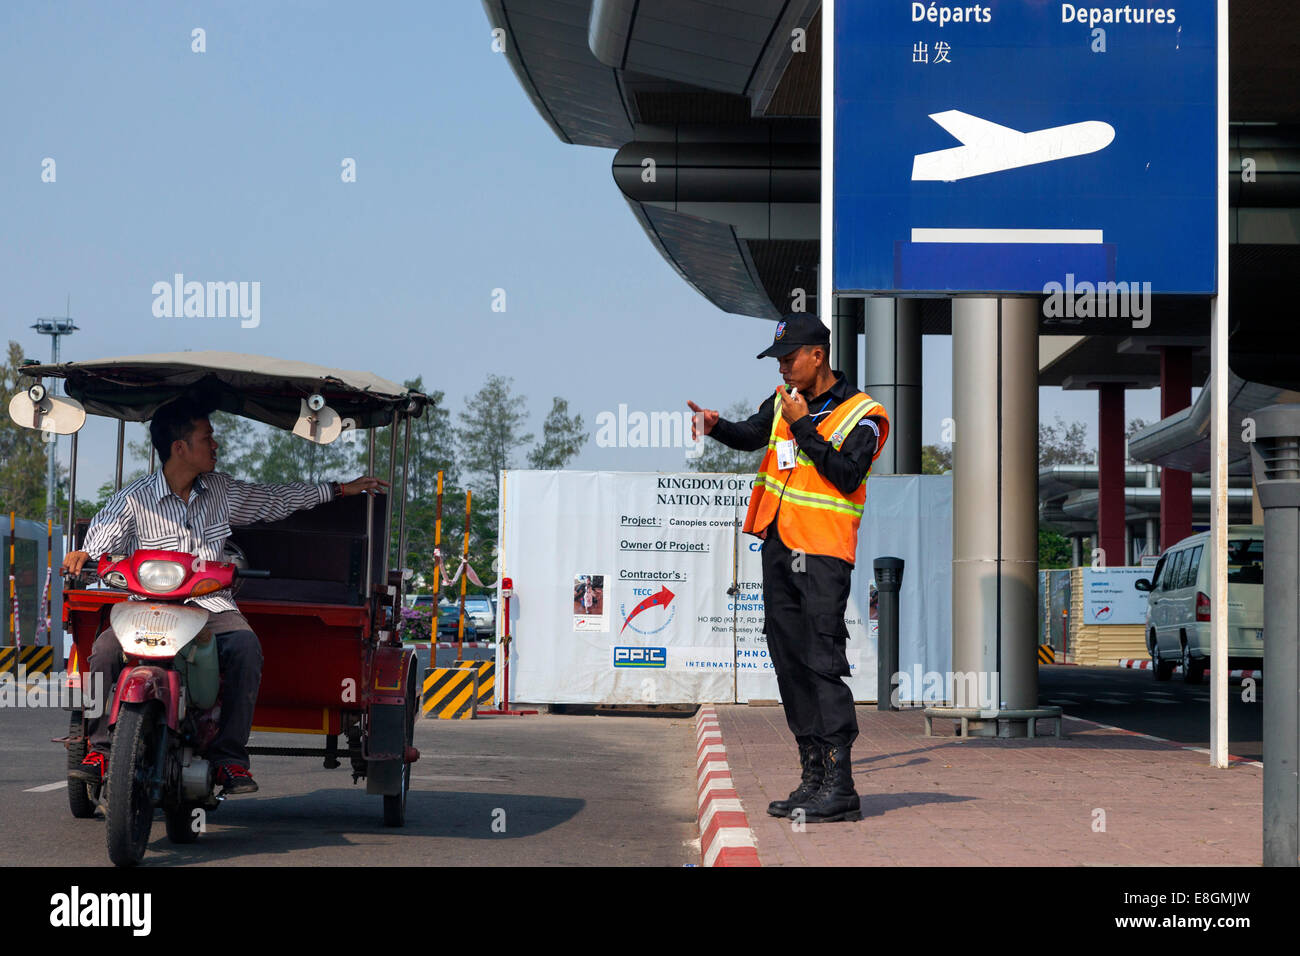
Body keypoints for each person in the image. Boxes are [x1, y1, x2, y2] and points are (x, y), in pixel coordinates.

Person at [63, 396, 387, 794]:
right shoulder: (134, 498)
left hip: (209, 607)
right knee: (103, 653)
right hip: (145, 608)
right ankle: (98, 750)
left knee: (245, 646)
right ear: (180, 447)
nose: (215, 446)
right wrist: (85, 553)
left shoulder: (220, 490)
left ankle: (229, 759)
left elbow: (275, 500)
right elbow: (103, 534)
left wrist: (339, 489)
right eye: (207, 438)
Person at [688, 313, 889, 823]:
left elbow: (846, 474)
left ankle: (841, 786)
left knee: (822, 663)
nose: (782, 368)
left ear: (817, 355)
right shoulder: (781, 402)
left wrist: (804, 426)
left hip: (822, 555)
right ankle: (813, 776)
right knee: (790, 662)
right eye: (777, 360)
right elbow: (752, 435)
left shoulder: (864, 414)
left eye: (788, 358)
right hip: (778, 549)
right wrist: (717, 427)